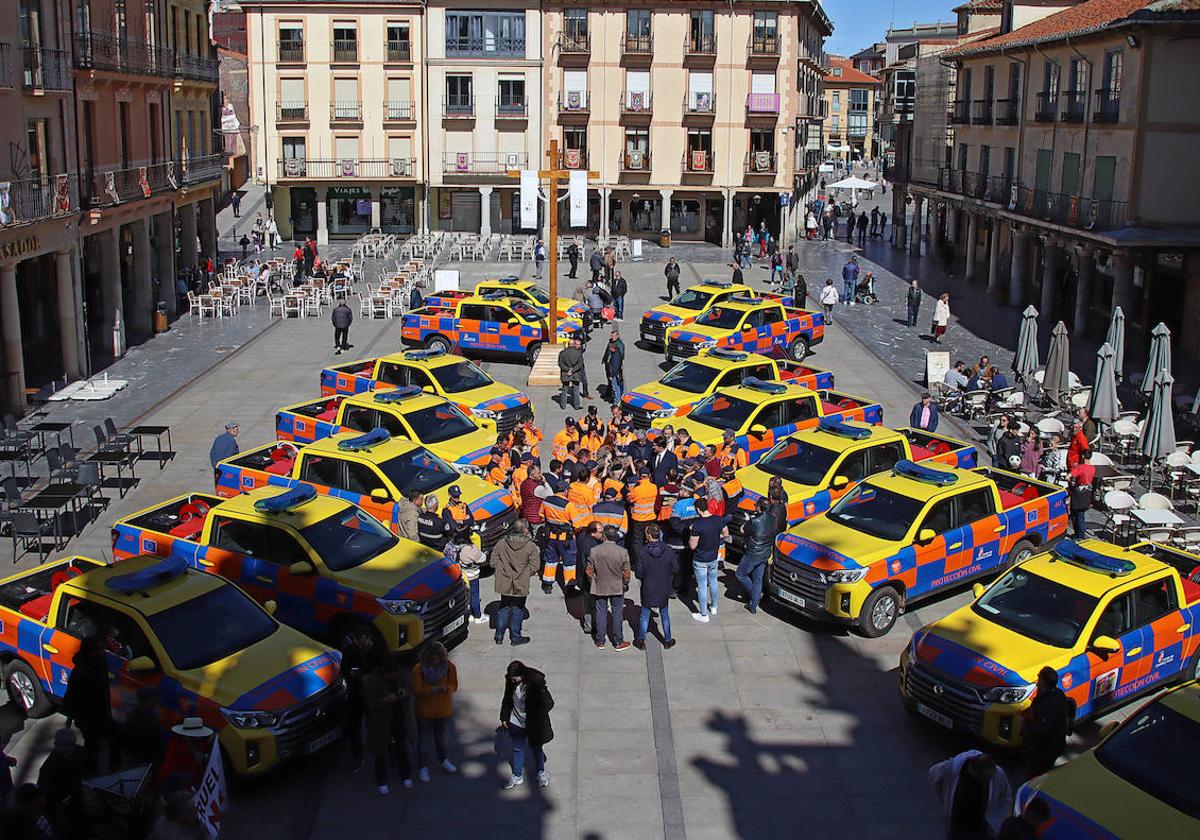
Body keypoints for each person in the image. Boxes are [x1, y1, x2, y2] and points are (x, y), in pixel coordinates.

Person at [928, 750, 1013, 840]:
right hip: (958, 829)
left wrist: (998, 821)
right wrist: (941, 803)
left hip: (982, 831)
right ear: (974, 771)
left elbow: (1006, 798)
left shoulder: (997, 774)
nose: (987, 781)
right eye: (985, 778)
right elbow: (933, 775)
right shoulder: (952, 769)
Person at [63, 636, 115, 772]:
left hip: (101, 712)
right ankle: (92, 771)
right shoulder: (82, 672)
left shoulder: (99, 665)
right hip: (89, 717)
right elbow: (72, 696)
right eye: (98, 650)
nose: (102, 652)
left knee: (106, 743)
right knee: (93, 745)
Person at [499, 661, 554, 789]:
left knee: (537, 748)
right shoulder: (511, 681)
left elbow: (549, 703)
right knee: (517, 748)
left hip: (532, 722)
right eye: (511, 677)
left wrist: (537, 715)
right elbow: (507, 698)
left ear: (522, 674)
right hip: (516, 721)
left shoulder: (535, 683)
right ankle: (517, 775)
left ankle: (541, 772)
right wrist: (504, 717)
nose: (513, 680)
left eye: (515, 677)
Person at [411, 642, 458, 782]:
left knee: (441, 738)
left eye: (438, 657)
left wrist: (447, 689)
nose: (436, 660)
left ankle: (443, 759)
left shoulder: (449, 667)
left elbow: (454, 685)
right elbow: (416, 690)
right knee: (423, 741)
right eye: (433, 657)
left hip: (443, 710)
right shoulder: (419, 669)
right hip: (424, 712)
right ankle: (422, 767)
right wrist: (430, 691)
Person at [363, 656, 407, 794]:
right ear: (384, 671)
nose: (394, 677)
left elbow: (407, 686)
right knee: (380, 751)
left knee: (402, 746)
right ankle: (381, 781)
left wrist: (404, 692)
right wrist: (385, 700)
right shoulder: (373, 681)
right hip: (381, 720)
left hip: (397, 715)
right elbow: (369, 702)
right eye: (391, 675)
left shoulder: (398, 673)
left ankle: (406, 774)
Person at [586, 525, 632, 651]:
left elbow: (589, 570)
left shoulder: (594, 551)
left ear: (604, 536)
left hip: (600, 586)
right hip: (617, 586)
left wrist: (593, 581)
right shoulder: (622, 552)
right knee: (617, 614)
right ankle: (618, 641)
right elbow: (627, 572)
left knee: (601, 613)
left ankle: (600, 640)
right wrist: (625, 582)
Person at [493, 520, 538, 645]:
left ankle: (499, 635)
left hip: (504, 581)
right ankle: (515, 637)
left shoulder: (501, 543)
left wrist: (502, 571)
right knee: (518, 609)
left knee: (504, 607)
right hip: (521, 582)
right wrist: (525, 574)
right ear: (525, 530)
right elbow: (535, 565)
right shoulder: (530, 546)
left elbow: (493, 560)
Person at [634, 524, 678, 649]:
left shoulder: (642, 552)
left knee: (644, 614)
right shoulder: (668, 550)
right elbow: (676, 568)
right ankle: (668, 639)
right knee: (664, 613)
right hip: (663, 586)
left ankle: (641, 639)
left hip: (648, 587)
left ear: (648, 535)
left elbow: (639, 573)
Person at [1022, 666, 1070, 780]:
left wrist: (1027, 726)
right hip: (1051, 749)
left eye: (1039, 678)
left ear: (1043, 681)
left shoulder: (1047, 704)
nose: (1038, 682)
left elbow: (1043, 729)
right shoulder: (1059, 694)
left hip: (1041, 752)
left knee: (1033, 778)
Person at [688, 502, 730, 622]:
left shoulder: (698, 525)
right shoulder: (719, 520)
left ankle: (704, 614)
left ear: (698, 510)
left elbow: (692, 545)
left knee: (702, 586)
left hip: (700, 559)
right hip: (713, 557)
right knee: (713, 582)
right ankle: (714, 607)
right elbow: (726, 534)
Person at [736, 498, 775, 614]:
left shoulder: (754, 521)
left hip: (753, 553)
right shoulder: (772, 517)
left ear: (759, 507)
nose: (754, 506)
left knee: (740, 574)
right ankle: (753, 604)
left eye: (756, 504)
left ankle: (755, 596)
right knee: (758, 579)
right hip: (765, 552)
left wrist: (745, 525)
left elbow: (743, 530)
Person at [1067, 450, 1095, 538]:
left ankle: (1079, 535)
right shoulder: (1093, 468)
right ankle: (1079, 534)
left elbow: (1068, 476)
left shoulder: (1080, 467)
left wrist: (1072, 483)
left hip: (1078, 493)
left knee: (1077, 515)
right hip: (1087, 492)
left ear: (1083, 456)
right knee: (1081, 513)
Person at [558, 336, 586, 410]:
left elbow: (560, 364)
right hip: (575, 374)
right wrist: (572, 370)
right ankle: (576, 406)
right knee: (576, 390)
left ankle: (563, 405)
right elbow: (580, 364)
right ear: (573, 344)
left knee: (564, 390)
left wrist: (567, 370)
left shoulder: (562, 353)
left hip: (565, 373)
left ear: (568, 344)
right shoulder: (578, 353)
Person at [602, 332, 625, 404]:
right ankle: (610, 394)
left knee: (617, 384)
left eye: (613, 336)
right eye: (611, 336)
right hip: (609, 365)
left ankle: (617, 398)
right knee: (611, 381)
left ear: (617, 335)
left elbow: (620, 357)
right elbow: (607, 352)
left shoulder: (619, 344)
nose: (612, 337)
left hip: (615, 368)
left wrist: (614, 370)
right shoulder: (611, 341)